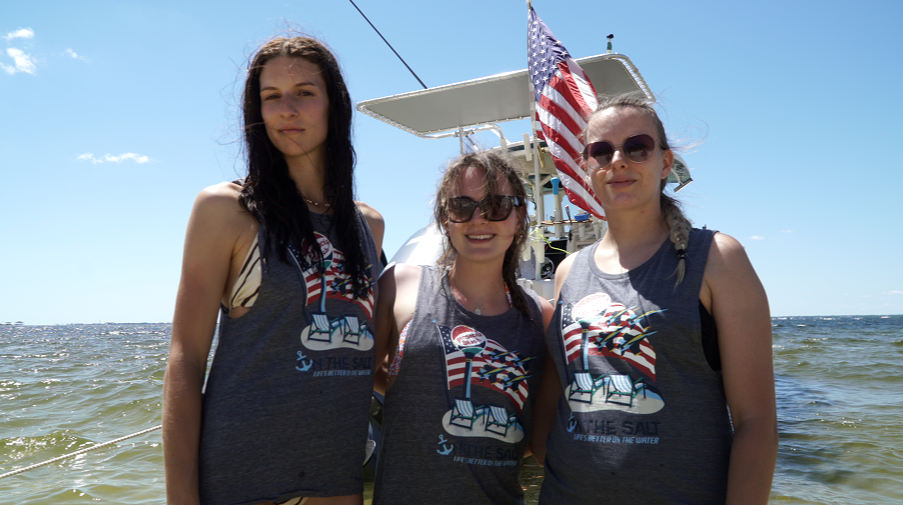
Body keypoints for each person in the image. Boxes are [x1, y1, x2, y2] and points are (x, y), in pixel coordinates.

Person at [162, 37, 384, 505]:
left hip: (338, 479)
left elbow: (367, 354)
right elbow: (185, 361)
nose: (287, 108)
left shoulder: (368, 226)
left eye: (305, 92)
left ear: (334, 104)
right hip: (243, 478)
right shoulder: (227, 209)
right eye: (271, 96)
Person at [534, 95, 777, 504]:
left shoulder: (718, 258)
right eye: (601, 151)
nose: (618, 160)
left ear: (664, 163)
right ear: (586, 167)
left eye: (637, 147)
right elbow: (557, 393)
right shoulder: (567, 271)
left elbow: (756, 423)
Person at [371, 151, 554, 504]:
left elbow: (537, 436)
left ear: (519, 217)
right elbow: (357, 377)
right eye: (461, 206)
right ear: (444, 218)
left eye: (497, 205)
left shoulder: (539, 317)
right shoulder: (399, 284)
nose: (479, 219)